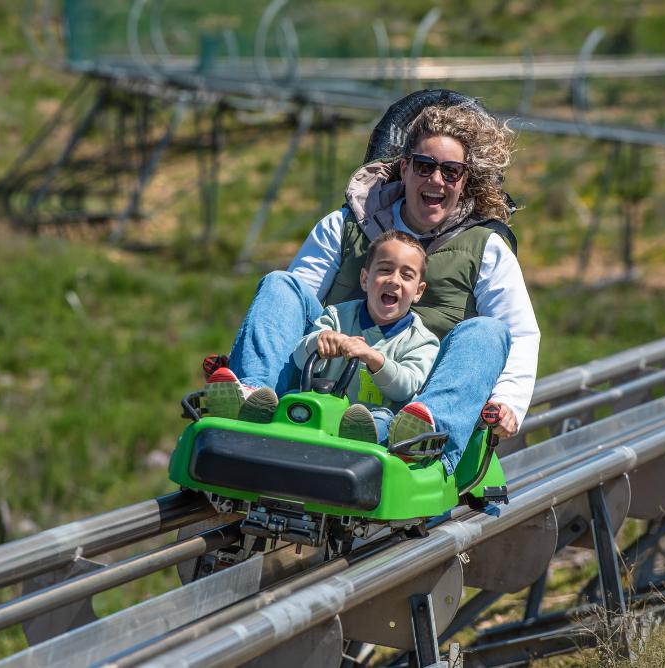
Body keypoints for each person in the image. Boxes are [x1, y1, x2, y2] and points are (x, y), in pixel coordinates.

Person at [206, 92, 539, 475]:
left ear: (465, 181)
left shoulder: (487, 247)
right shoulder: (346, 224)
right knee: (282, 284)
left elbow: (521, 334)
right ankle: (251, 399)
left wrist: (507, 403)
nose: (436, 180)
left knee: (489, 331)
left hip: (415, 393)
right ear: (404, 167)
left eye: (451, 171)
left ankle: (425, 439)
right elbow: (293, 308)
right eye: (425, 166)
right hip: (325, 381)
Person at [290, 230, 439, 445]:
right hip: (325, 409)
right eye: (385, 270)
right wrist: (321, 340)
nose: (394, 281)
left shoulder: (422, 341)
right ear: (365, 278)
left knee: (383, 421)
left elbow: (405, 387)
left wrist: (373, 358)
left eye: (406, 275)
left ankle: (356, 439)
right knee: (294, 397)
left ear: (418, 291)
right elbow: (300, 359)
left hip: (379, 419)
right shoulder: (336, 316)